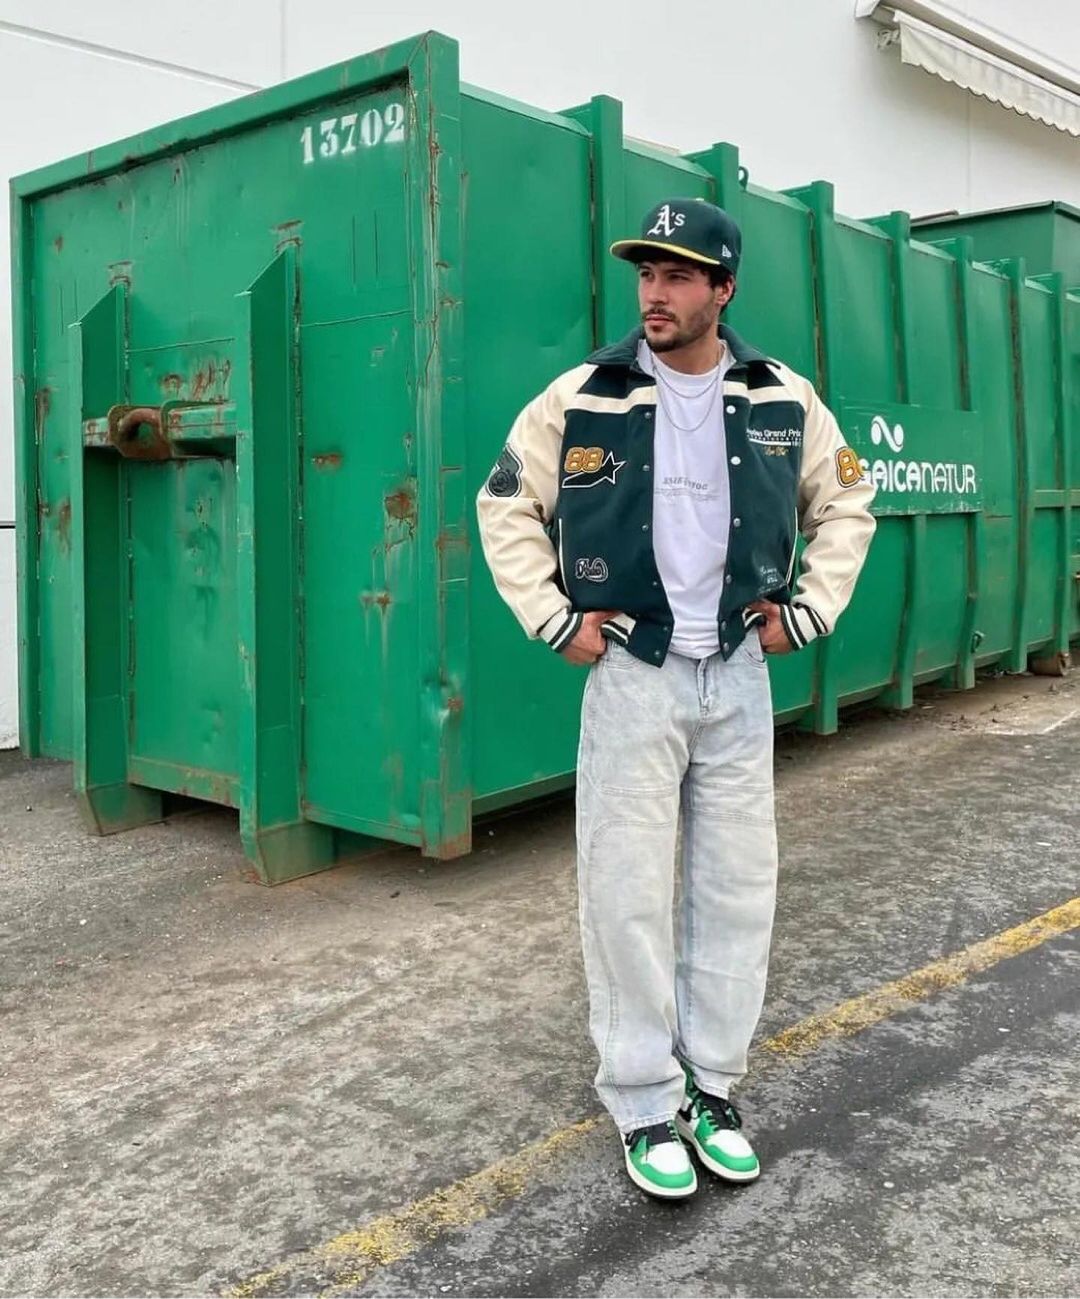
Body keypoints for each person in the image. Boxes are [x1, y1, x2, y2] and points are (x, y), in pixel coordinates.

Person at [476, 198, 876, 1199]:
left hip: (736, 672)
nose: (655, 293)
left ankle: (714, 1087)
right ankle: (645, 1100)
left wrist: (809, 612)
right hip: (634, 676)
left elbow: (847, 501)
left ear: (723, 289)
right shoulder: (584, 394)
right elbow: (506, 504)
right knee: (626, 893)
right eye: (647, 274)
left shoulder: (782, 395)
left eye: (679, 275)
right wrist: (556, 619)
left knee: (738, 887)